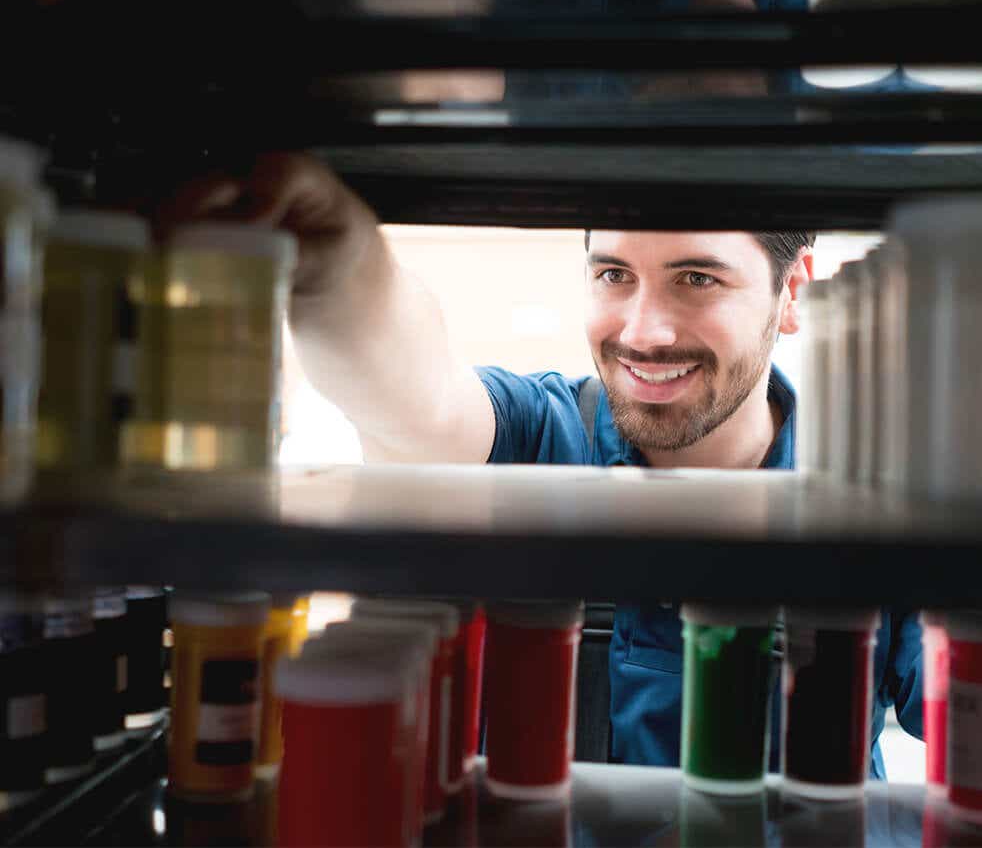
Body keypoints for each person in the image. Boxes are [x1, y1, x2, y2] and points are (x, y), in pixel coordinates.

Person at [158, 148, 923, 777]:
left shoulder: (880, 499)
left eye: (696, 278)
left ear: (792, 292)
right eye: (613, 274)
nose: (643, 330)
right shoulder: (541, 433)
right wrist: (336, 265)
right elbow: (416, 399)